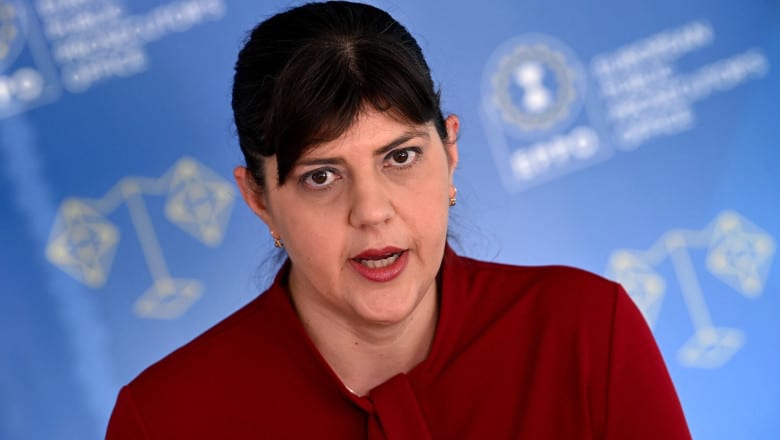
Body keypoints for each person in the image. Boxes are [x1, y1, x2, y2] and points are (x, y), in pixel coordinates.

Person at [106, 1, 691, 438]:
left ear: (450, 151)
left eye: (400, 157)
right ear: (259, 198)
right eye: (321, 176)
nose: (372, 211)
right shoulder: (164, 420)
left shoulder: (585, 331)